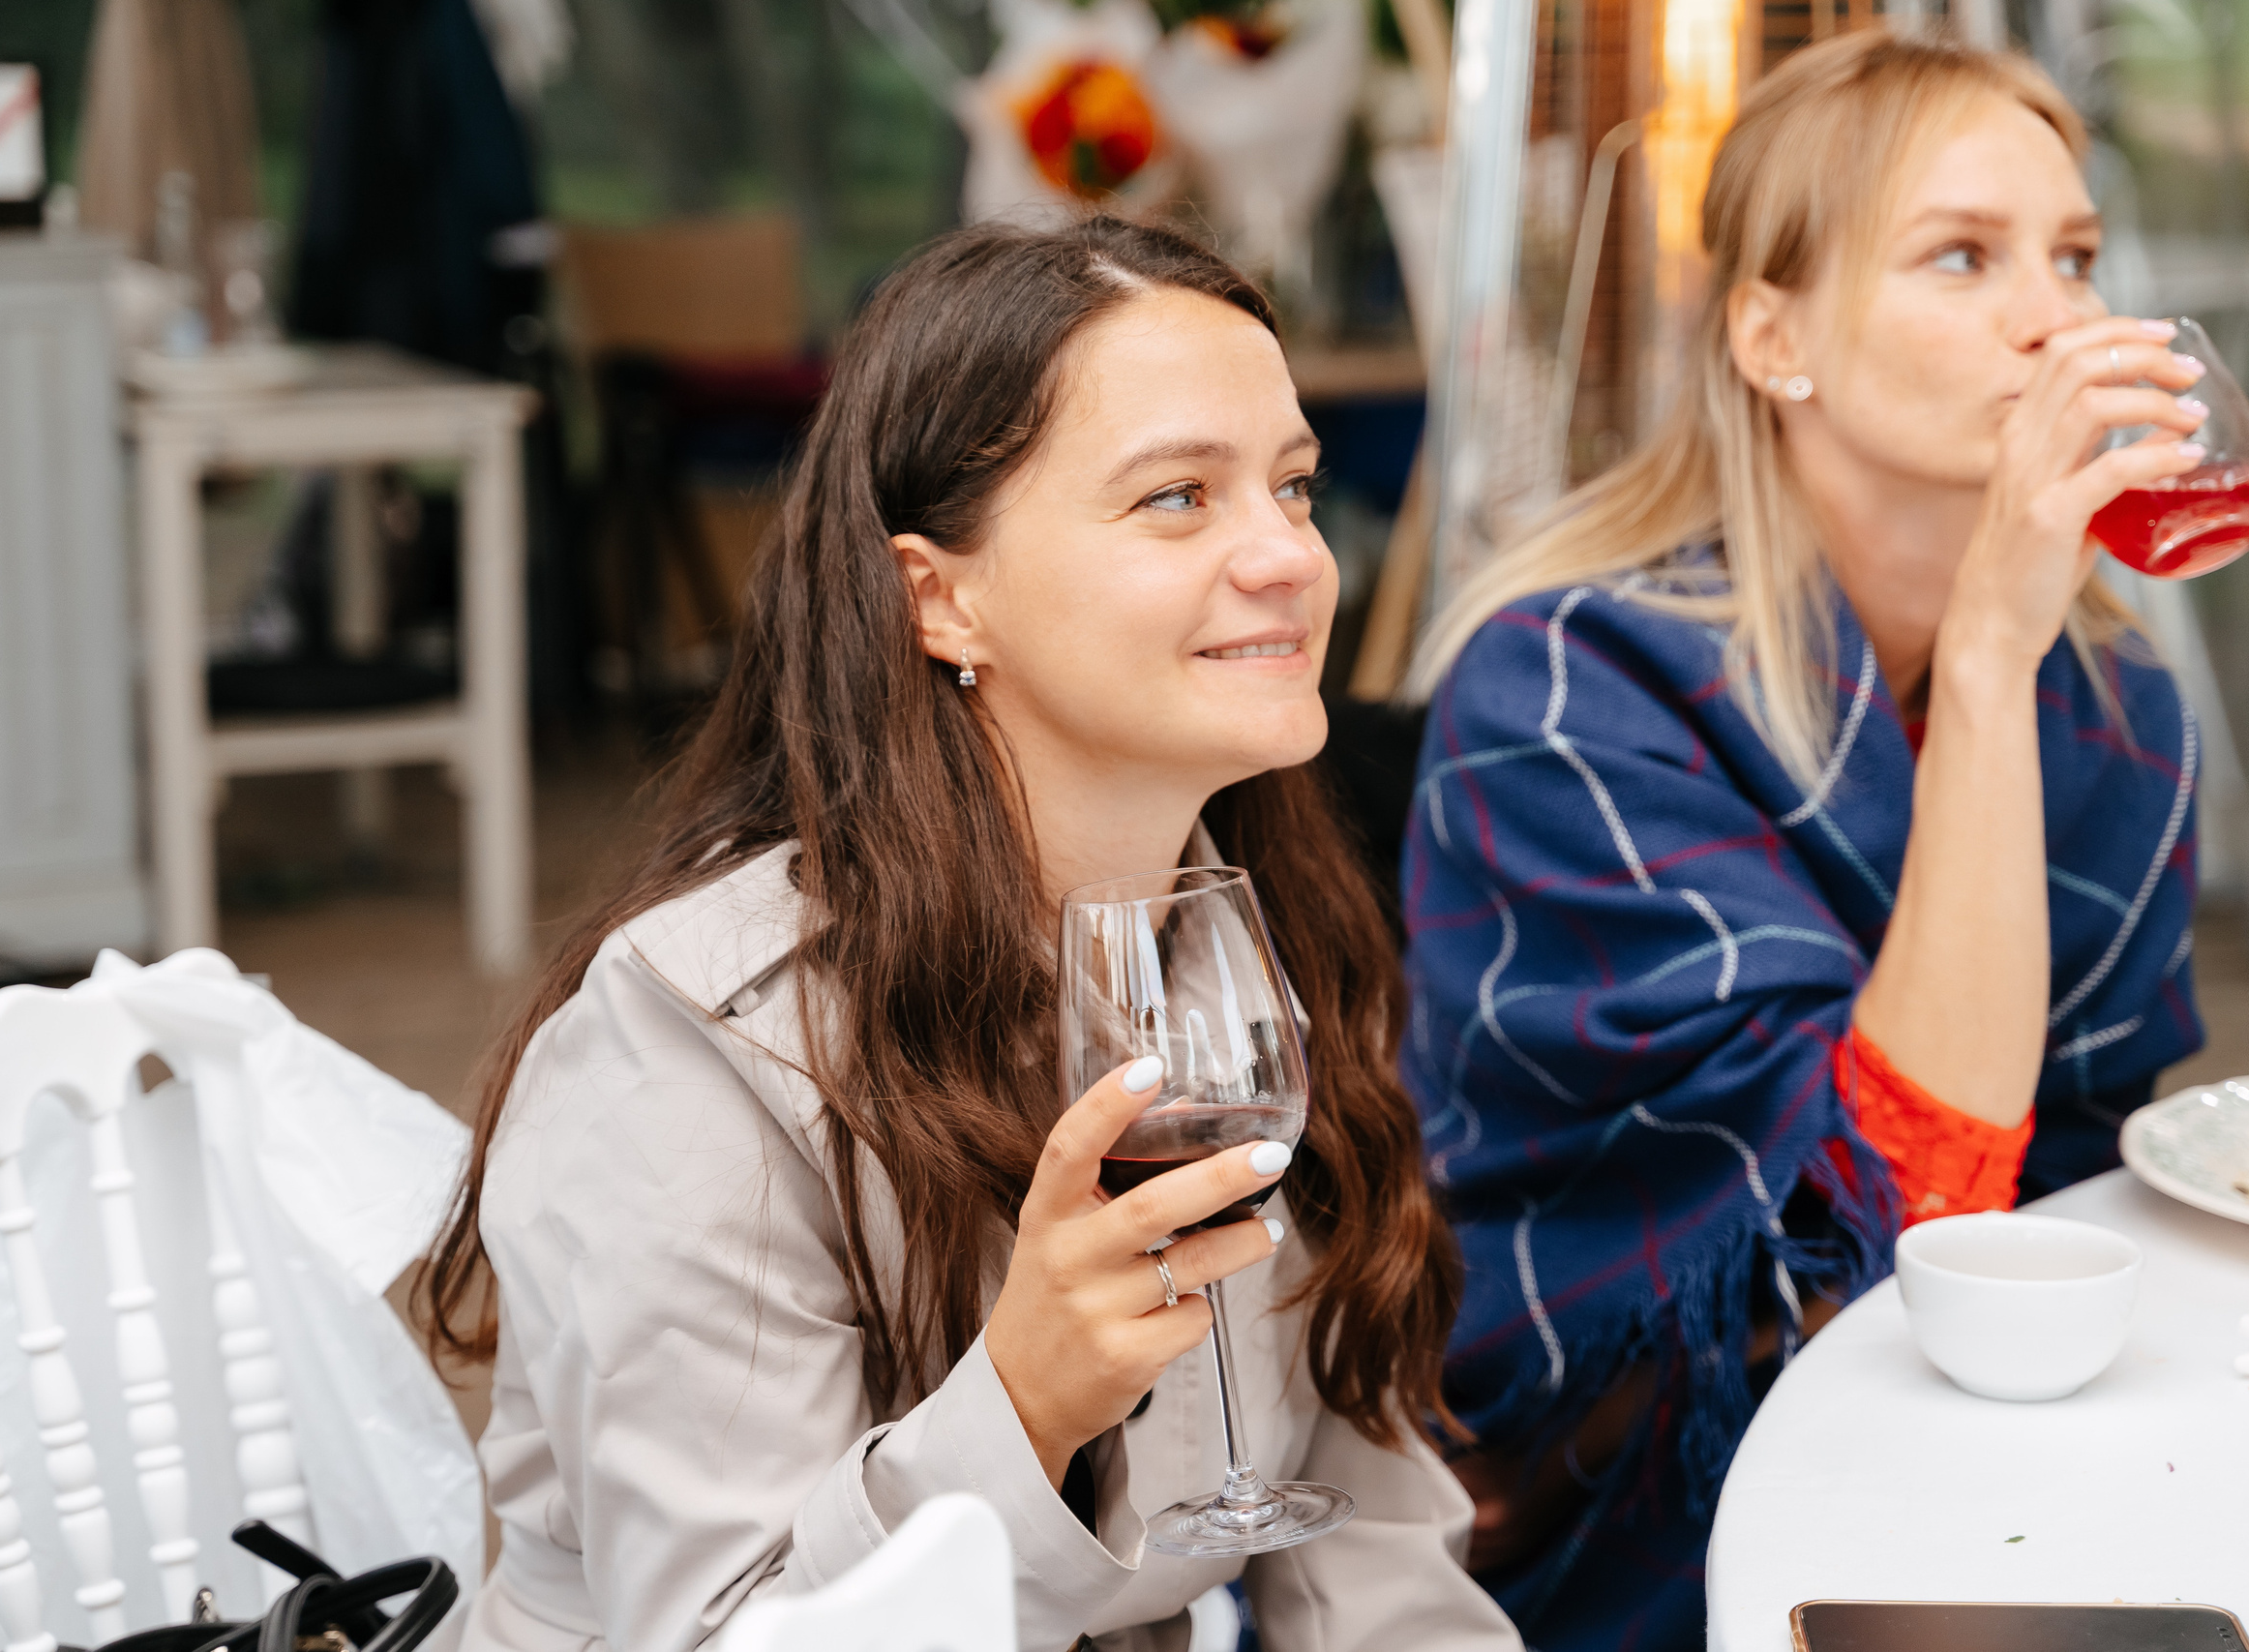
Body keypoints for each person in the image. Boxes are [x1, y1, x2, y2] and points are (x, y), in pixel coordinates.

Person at [417, 217, 1522, 1652]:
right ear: (941, 595)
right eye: (1179, 498)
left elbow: (1373, 1564)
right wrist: (1025, 1403)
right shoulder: (692, 1047)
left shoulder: (1264, 963)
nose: (1290, 558)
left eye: (1295, 486)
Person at [1398, 30, 2207, 1647]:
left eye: (2076, 257)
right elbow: (1881, 1211)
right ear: (1773, 335)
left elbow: (2098, 1186)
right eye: (1962, 257)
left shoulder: (2114, 709)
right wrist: (1984, 655)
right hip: (1621, 1481)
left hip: (2007, 1435)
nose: (2059, 318)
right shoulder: (1566, 686)